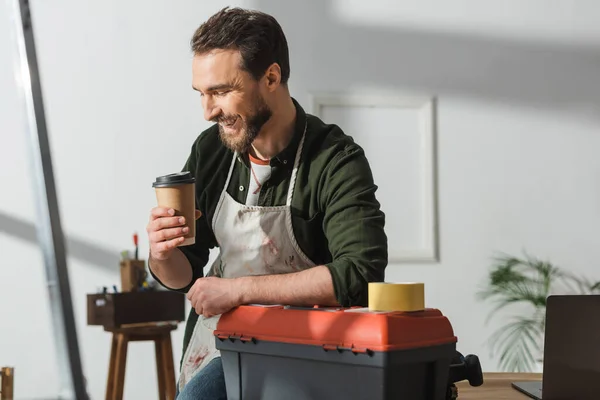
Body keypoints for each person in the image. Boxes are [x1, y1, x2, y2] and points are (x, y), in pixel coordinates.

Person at [146, 6, 388, 400]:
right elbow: (185, 273)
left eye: (222, 91)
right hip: (223, 345)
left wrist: (239, 291)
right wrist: (161, 253)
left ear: (271, 77)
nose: (208, 112)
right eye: (202, 94)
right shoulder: (212, 151)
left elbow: (359, 275)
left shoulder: (335, 159)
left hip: (311, 349)